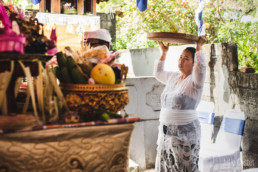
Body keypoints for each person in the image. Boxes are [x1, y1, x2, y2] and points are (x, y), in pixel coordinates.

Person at [154, 35, 207, 172]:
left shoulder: (195, 82)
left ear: (194, 64)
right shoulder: (173, 77)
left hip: (185, 135)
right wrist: (164, 53)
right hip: (166, 132)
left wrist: (199, 47)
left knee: (185, 168)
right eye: (180, 57)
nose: (181, 61)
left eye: (186, 58)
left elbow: (201, 68)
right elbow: (158, 73)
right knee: (167, 167)